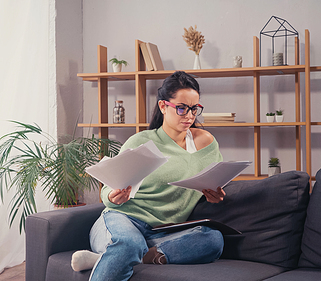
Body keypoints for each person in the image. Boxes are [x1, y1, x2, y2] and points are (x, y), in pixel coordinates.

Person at [71, 71, 226, 281]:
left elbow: (213, 179)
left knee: (212, 239)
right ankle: (124, 252)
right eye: (181, 108)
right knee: (128, 243)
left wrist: (215, 194)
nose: (189, 115)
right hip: (123, 219)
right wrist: (113, 195)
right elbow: (108, 187)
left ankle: (110, 257)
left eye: (194, 109)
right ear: (163, 106)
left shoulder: (207, 143)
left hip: (164, 232)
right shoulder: (142, 141)